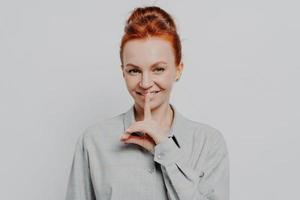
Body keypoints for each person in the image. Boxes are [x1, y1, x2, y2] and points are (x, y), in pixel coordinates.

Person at [65, 6, 229, 200]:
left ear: (178, 69)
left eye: (158, 69)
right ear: (123, 72)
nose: (145, 83)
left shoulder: (208, 143)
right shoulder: (93, 142)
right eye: (134, 70)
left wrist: (164, 147)